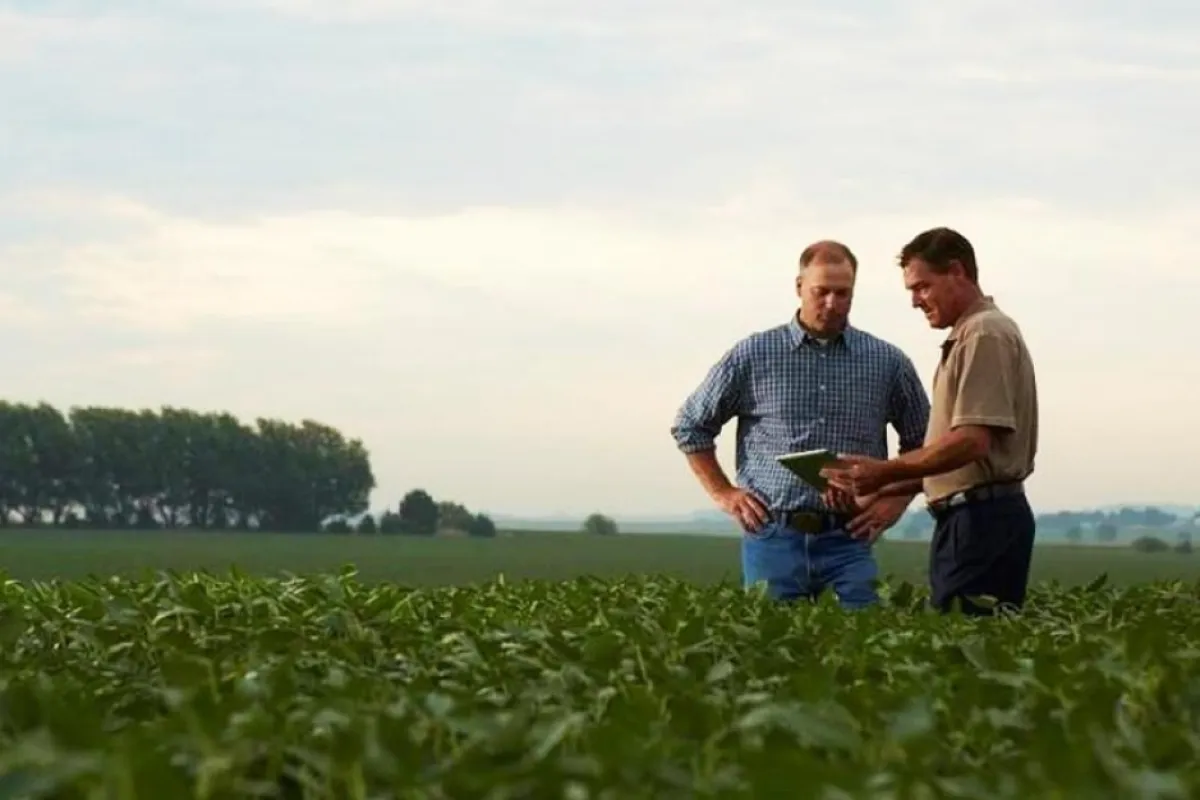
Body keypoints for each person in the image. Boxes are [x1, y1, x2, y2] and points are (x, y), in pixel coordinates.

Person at [669, 240, 931, 609]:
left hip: (850, 537)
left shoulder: (887, 361)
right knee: (771, 653)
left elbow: (925, 443)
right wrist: (724, 493)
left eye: (843, 293)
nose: (831, 303)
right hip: (773, 535)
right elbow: (690, 426)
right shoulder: (754, 354)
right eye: (820, 292)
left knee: (863, 652)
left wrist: (897, 500)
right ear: (798, 288)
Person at [829, 227, 1039, 615]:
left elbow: (971, 443)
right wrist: (881, 483)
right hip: (972, 520)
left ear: (957, 272)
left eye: (922, 286)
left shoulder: (984, 333)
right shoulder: (972, 333)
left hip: (981, 523)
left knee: (965, 651)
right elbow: (964, 459)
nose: (915, 301)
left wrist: (884, 471)